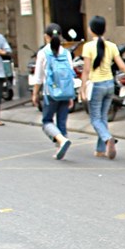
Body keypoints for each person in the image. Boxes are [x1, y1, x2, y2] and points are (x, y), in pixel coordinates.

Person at [79, 15, 125, 159]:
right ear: (104, 29)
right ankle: (100, 150)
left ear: (91, 30)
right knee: (102, 117)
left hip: (96, 85)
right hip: (109, 85)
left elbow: (86, 70)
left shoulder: (88, 47)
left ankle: (107, 138)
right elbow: (124, 67)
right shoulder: (112, 46)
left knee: (95, 119)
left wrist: (82, 89)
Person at [30, 23, 76, 160]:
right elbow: (70, 75)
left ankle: (61, 141)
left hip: (50, 93)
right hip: (66, 92)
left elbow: (38, 77)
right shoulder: (67, 53)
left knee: (47, 121)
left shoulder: (43, 53)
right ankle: (61, 147)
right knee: (62, 122)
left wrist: (34, 94)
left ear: (46, 37)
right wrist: (71, 95)